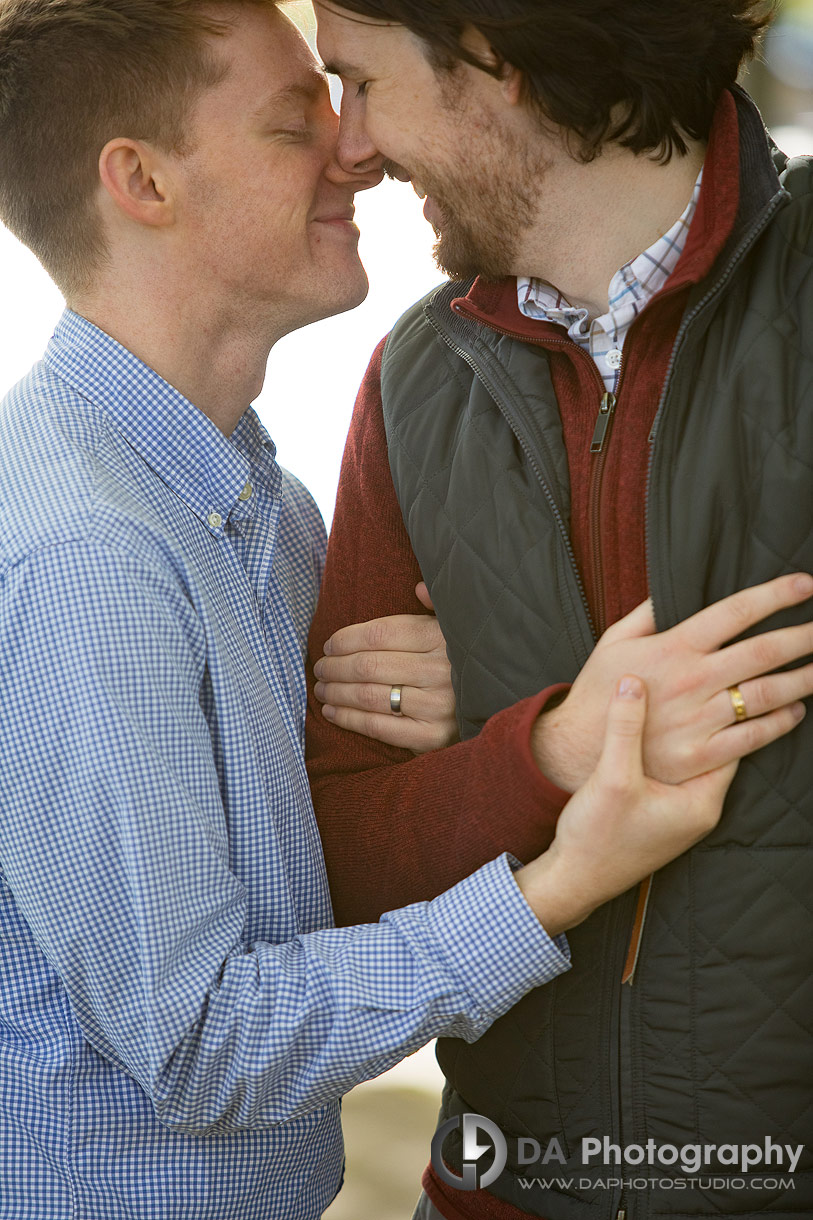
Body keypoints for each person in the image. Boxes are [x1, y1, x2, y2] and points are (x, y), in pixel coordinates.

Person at [0, 2, 753, 1218]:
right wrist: (555, 885)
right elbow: (201, 1044)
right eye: (297, 120)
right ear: (140, 182)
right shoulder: (90, 554)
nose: (355, 152)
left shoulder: (268, 511)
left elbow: (322, 874)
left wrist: (483, 695)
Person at [306, 2, 813, 1218]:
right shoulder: (417, 380)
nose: (350, 148)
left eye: (362, 83)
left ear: (495, 57)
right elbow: (339, 864)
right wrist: (534, 748)